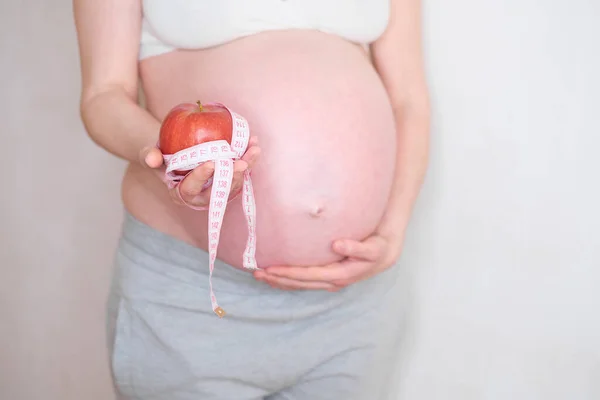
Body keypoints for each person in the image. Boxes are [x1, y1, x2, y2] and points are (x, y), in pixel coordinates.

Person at [73, 0, 430, 398]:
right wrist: (167, 159)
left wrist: (394, 232)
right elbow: (103, 95)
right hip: (193, 302)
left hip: (352, 307)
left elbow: (408, 99)